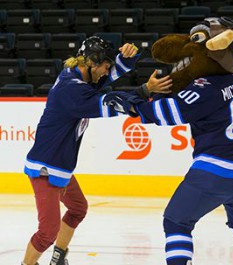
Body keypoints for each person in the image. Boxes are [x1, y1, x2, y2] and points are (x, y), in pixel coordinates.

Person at [103, 25, 233, 265]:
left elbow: (167, 113)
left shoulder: (205, 88)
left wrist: (131, 103)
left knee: (176, 221)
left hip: (216, 171)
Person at [21, 36, 172, 265]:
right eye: (105, 66)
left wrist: (127, 59)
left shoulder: (78, 76)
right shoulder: (71, 90)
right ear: (91, 61)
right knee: (47, 232)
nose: (106, 72)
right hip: (46, 169)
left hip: (60, 167)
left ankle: (58, 258)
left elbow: (105, 80)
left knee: (77, 208)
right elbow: (112, 102)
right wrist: (145, 90)